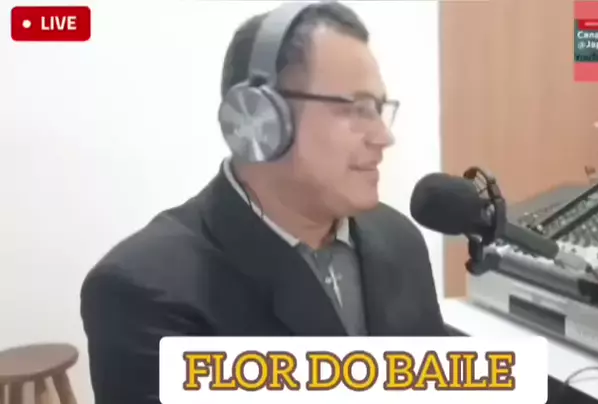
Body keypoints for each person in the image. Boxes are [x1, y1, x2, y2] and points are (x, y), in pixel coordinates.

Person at [80, 3, 447, 403]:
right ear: (260, 119)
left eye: (378, 109)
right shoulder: (146, 292)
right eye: (356, 108)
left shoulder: (398, 238)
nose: (383, 137)